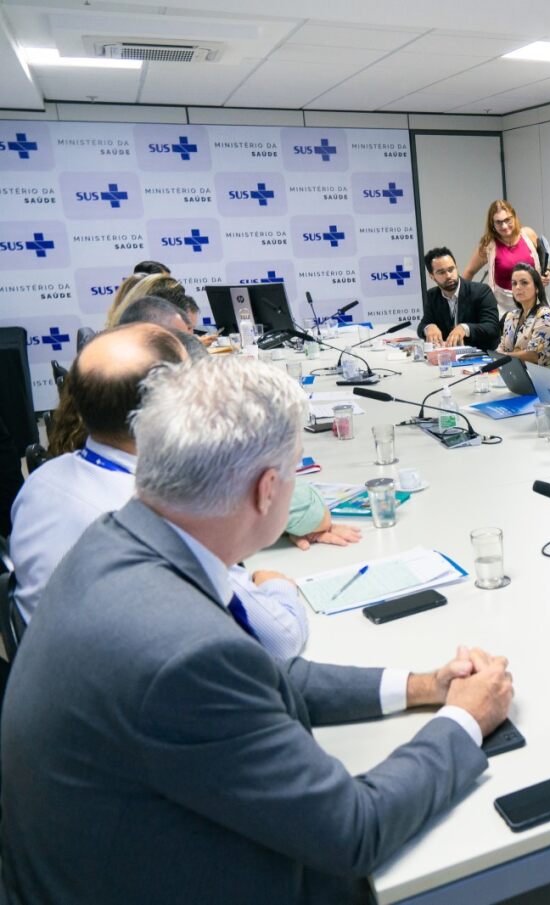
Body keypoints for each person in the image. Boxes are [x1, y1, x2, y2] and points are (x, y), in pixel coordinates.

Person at [1, 354, 514, 904]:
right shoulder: (184, 653)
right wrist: (465, 718)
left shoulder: (117, 537)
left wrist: (424, 685)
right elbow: (352, 830)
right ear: (267, 489)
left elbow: (263, 675)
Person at [6, 324, 348, 659]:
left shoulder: (43, 479)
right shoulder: (159, 510)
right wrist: (276, 583)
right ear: (173, 406)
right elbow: (281, 636)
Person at [462, 200, 549, 313]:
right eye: (498, 222)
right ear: (492, 224)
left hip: (534, 301)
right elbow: (469, 271)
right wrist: (462, 303)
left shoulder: (528, 234)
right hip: (504, 307)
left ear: (514, 217)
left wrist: (547, 271)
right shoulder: (488, 246)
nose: (504, 226)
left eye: (507, 220)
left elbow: (543, 258)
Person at [418, 246, 499, 350]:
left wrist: (465, 328)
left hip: (481, 356)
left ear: (456, 268)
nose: (448, 275)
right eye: (441, 272)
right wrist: (428, 327)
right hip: (449, 357)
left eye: (451, 269)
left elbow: (492, 328)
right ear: (432, 276)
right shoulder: (432, 295)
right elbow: (422, 326)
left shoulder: (480, 291)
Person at [496, 263, 550, 367]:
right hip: (513, 373)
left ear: (537, 288)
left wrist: (503, 357)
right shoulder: (511, 316)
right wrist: (496, 356)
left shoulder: (546, 315)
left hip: (539, 378)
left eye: (524, 283)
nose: (518, 287)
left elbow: (534, 355)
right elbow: (502, 347)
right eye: (514, 283)